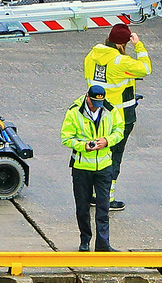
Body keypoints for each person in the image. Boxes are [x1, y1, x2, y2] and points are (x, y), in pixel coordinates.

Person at [83, 23, 150, 212]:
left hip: (94, 114)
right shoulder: (122, 62)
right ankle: (106, 198)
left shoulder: (91, 57)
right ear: (122, 44)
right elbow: (145, 68)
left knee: (97, 154)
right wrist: (139, 46)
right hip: (119, 118)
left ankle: (93, 194)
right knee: (114, 157)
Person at [62, 83, 125, 251]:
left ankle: (103, 244)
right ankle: (85, 242)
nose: (97, 108)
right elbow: (66, 138)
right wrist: (84, 146)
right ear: (87, 98)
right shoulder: (74, 112)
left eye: (100, 104)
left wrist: (107, 141)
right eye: (93, 104)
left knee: (103, 208)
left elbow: (120, 130)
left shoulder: (110, 109)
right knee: (82, 208)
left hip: (104, 167)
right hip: (82, 168)